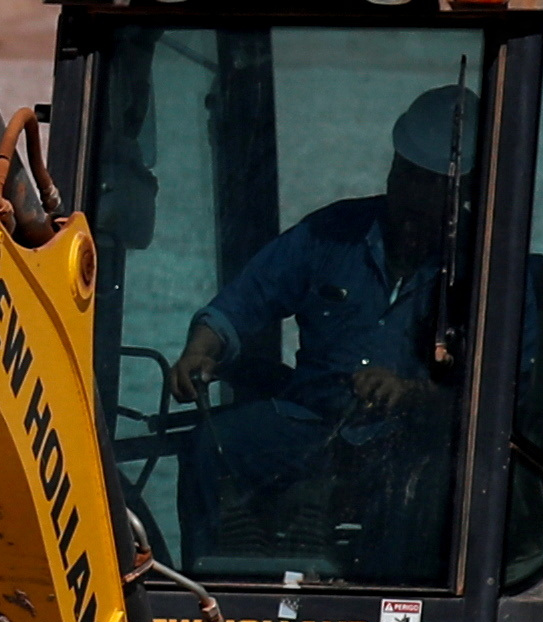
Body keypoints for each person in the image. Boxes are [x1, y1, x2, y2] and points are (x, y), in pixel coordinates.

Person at [165, 86, 477, 562]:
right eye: (405, 176)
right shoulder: (333, 233)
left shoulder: (487, 262)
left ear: (461, 192)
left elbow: (505, 395)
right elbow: (243, 301)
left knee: (424, 491)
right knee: (212, 444)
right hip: (312, 428)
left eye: (429, 186)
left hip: (418, 441)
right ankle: (207, 592)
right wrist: (200, 350)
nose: (411, 196)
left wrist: (412, 394)